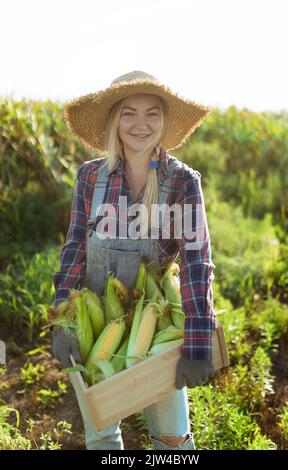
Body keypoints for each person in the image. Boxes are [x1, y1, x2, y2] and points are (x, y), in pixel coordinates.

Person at [52, 70, 216, 450]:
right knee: (103, 437)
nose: (140, 124)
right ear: (113, 120)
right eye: (128, 113)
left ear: (164, 121)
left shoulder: (182, 182)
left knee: (173, 440)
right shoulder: (90, 177)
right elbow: (75, 248)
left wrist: (197, 340)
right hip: (97, 331)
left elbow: (196, 262)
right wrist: (63, 314)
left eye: (151, 114)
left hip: (153, 323)